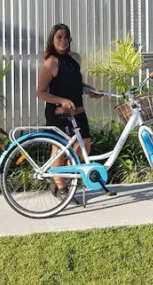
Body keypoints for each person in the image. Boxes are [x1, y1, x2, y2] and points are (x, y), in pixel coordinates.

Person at [36, 23, 102, 200]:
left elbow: (75, 83)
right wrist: (61, 100)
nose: (63, 41)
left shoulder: (74, 59)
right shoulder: (51, 63)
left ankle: (58, 176)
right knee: (60, 148)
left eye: (66, 37)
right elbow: (41, 92)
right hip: (59, 112)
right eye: (59, 37)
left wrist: (91, 90)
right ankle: (61, 187)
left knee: (83, 146)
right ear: (52, 40)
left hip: (77, 110)